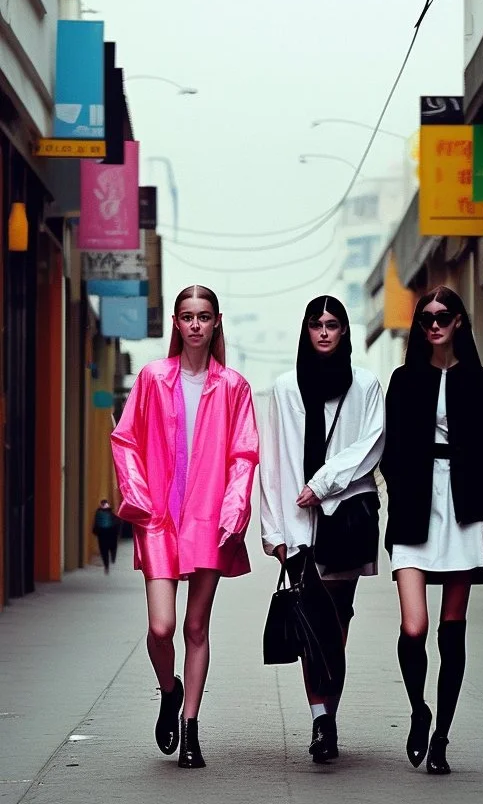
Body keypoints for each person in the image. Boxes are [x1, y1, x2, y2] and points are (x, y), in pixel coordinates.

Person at [111, 285, 259, 769]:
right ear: (176, 323)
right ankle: (169, 690)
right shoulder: (153, 378)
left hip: (209, 517)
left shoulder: (233, 386)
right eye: (187, 316)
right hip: (159, 517)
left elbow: (243, 454)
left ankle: (191, 727)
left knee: (196, 626)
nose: (195, 324)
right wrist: (138, 495)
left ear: (217, 322)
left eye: (204, 316)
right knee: (162, 625)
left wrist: (235, 510)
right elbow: (125, 438)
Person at [381, 285, 483, 776]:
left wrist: (479, 499)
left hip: (466, 509)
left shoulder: (481, 382)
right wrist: (401, 487)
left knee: (451, 627)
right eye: (426, 317)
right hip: (415, 508)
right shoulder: (403, 380)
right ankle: (419, 710)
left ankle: (441, 739)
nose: (434, 324)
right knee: (414, 626)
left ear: (459, 322)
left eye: (443, 316)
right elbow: (390, 451)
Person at [260, 295, 385, 763]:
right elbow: (270, 462)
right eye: (317, 325)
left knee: (336, 624)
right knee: (312, 625)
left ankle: (328, 712)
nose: (325, 332)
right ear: (306, 332)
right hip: (298, 525)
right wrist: (272, 530)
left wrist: (322, 483)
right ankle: (321, 721)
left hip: (346, 517)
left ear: (345, 331)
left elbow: (371, 446)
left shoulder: (366, 386)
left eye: (333, 324)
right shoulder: (285, 388)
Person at [92, 499, 120, 574]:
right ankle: (113, 557)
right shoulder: (111, 512)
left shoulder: (98, 513)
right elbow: (117, 522)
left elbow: (95, 524)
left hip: (102, 534)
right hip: (111, 533)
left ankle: (106, 565)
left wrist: (95, 531)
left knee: (104, 550)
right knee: (113, 547)